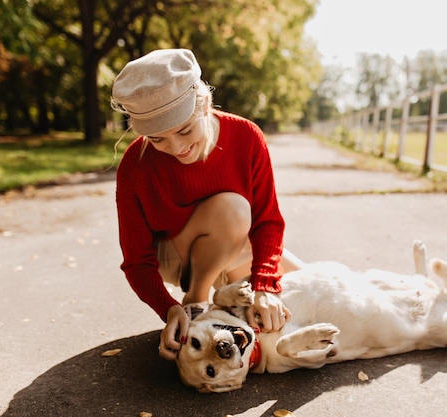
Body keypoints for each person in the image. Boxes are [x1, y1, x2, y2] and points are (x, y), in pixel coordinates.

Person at [110, 48, 303, 361]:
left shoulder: (246, 136)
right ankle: (196, 302)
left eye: (185, 129)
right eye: (158, 139)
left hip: (234, 243)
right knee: (233, 208)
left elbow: (267, 220)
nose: (177, 148)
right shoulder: (135, 164)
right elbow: (136, 260)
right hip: (175, 258)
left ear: (205, 105)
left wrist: (265, 285)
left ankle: (224, 300)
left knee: (311, 288)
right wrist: (168, 308)